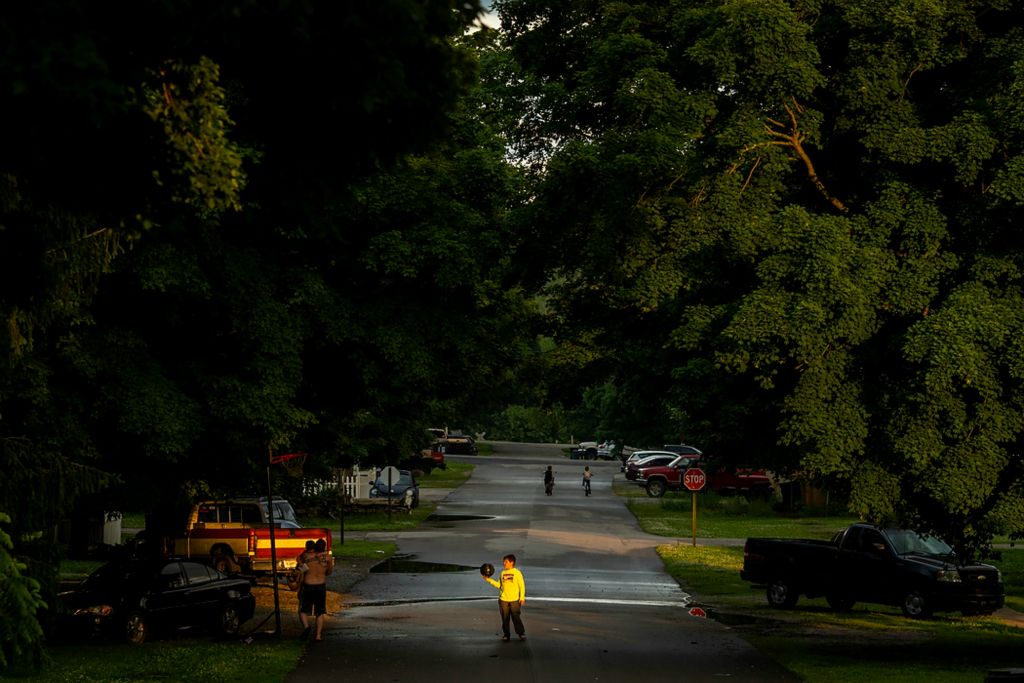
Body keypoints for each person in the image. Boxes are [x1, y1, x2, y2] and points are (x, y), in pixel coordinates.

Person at [482, 554, 526, 641]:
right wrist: (488, 579)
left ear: (511, 562)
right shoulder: (502, 573)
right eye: (504, 562)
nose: (504, 563)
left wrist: (522, 597)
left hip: (514, 600)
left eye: (506, 562)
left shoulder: (517, 573)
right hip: (503, 600)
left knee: (516, 617)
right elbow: (499, 585)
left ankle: (521, 633)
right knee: (505, 618)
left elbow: (522, 586)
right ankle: (506, 635)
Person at [299, 538, 335, 641]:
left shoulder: (306, 556)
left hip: (308, 585)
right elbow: (329, 572)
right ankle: (318, 635)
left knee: (303, 610)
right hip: (320, 585)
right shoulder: (327, 557)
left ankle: (306, 627)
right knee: (319, 612)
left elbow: (300, 566)